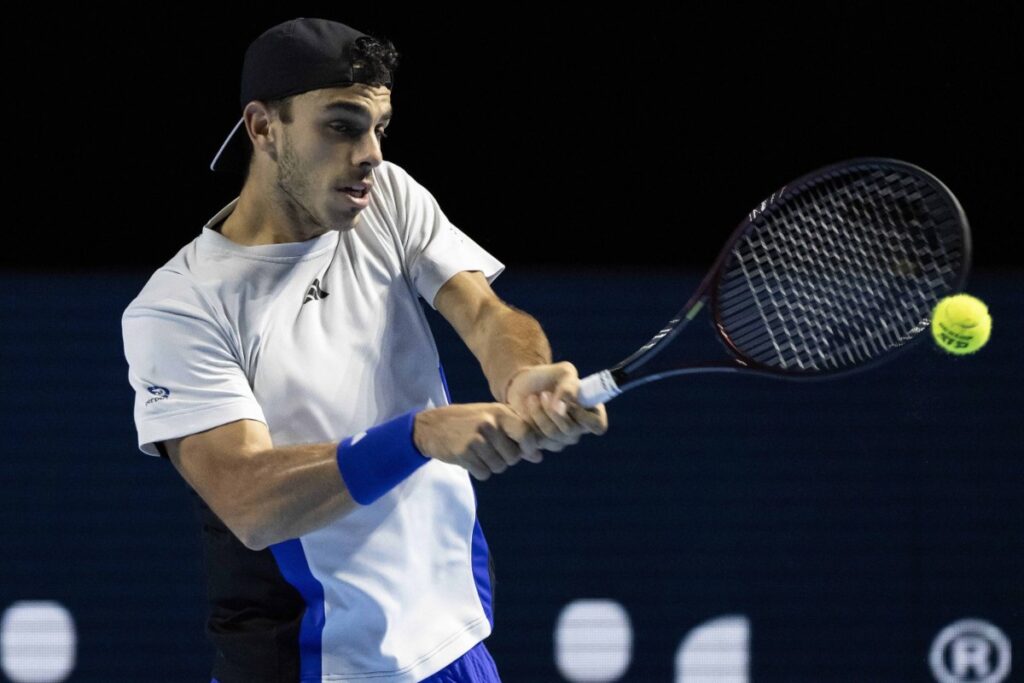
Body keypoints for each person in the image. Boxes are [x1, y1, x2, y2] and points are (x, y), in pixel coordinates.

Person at [120, 17, 608, 683]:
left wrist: (524, 372)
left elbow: (486, 315)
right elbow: (248, 500)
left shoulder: (387, 200)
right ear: (263, 128)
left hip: (454, 645)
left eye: (379, 127)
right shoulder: (179, 306)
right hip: (317, 663)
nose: (371, 152)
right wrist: (418, 434)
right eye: (342, 125)